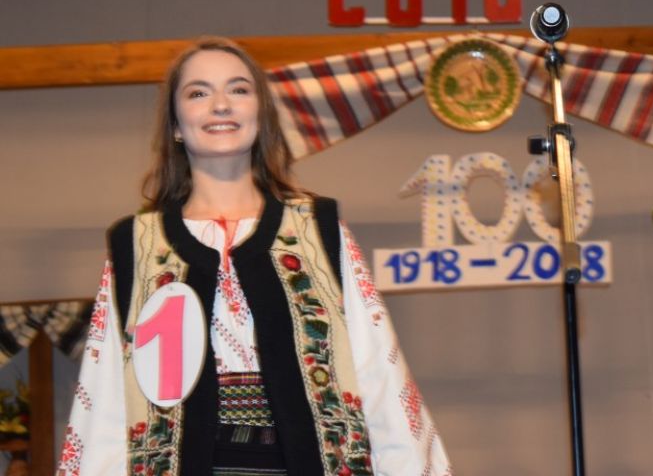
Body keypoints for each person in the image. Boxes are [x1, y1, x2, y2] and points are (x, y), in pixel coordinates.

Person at [58, 37, 452, 476]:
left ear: (261, 114)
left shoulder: (317, 231)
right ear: (175, 124)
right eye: (198, 92)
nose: (221, 105)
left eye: (239, 89)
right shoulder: (138, 244)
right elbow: (108, 390)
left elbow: (375, 367)